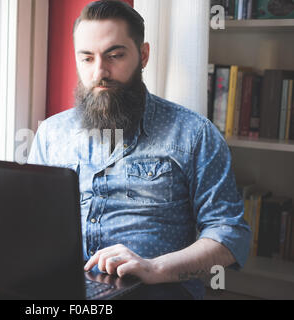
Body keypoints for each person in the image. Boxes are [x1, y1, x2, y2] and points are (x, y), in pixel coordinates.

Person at [27, 0, 251, 300]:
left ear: (143, 55)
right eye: (87, 59)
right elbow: (35, 221)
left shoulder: (194, 133)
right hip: (65, 282)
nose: (100, 72)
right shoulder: (51, 133)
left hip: (158, 287)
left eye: (115, 55)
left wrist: (156, 267)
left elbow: (230, 234)